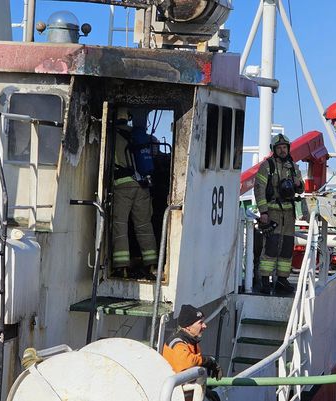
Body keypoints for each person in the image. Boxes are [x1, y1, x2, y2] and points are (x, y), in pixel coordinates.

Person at [253, 134, 304, 295]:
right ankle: (265, 280)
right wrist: (264, 212)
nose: (282, 150)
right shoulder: (267, 166)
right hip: (273, 212)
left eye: (285, 147)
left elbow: (301, 189)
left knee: (287, 247)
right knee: (271, 247)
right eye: (279, 148)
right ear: (274, 150)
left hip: (289, 213)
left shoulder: (294, 167)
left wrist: (298, 184)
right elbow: (259, 189)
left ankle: (282, 279)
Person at [111, 108, 157, 280]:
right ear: (128, 118)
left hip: (122, 186)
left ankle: (121, 266)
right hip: (143, 185)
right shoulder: (140, 135)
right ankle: (152, 265)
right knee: (144, 225)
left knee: (120, 225)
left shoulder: (111, 135)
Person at [162, 304, 222, 379]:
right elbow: (187, 361)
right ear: (188, 327)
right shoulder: (177, 343)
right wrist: (208, 361)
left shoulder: (191, 341)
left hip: (187, 385)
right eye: (200, 323)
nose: (204, 326)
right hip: (177, 388)